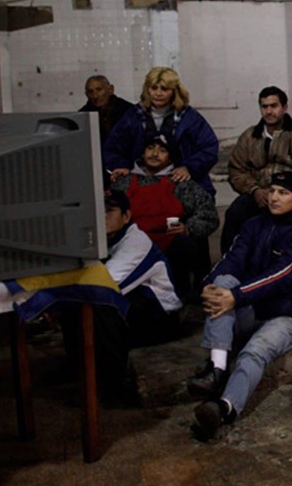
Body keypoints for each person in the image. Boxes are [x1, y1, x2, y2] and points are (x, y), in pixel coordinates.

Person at [185, 171, 292, 440]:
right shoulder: (254, 224)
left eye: (283, 193)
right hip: (249, 307)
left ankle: (225, 408)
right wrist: (210, 284)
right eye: (272, 190)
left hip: (288, 314)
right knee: (223, 281)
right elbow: (231, 261)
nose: (274, 197)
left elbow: (284, 276)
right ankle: (216, 369)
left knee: (255, 351)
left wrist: (236, 297)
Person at [66, 189, 183, 403]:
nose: (102, 217)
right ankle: (77, 372)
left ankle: (115, 387)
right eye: (98, 211)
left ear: (126, 216)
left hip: (160, 318)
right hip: (135, 306)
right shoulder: (102, 240)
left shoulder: (136, 242)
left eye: (109, 211)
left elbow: (103, 285)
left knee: (101, 305)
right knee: (73, 304)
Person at [113, 134, 220, 299]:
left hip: (167, 244)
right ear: (142, 152)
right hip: (129, 244)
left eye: (162, 151)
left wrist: (188, 228)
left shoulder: (180, 183)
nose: (155, 154)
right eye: (150, 148)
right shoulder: (123, 181)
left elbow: (209, 214)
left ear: (170, 159)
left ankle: (179, 298)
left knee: (185, 245)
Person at [222, 86, 292, 255]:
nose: (269, 111)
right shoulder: (249, 136)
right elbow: (236, 169)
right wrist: (255, 190)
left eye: (273, 106)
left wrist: (281, 192)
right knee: (235, 213)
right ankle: (229, 263)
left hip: (289, 198)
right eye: (264, 106)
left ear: (284, 107)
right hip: (257, 195)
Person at [104, 66, 219, 198]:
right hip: (140, 180)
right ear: (147, 89)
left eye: (164, 89)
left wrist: (189, 168)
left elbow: (209, 147)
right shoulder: (133, 116)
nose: (158, 93)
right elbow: (113, 147)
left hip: (182, 181)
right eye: (154, 88)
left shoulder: (189, 117)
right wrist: (122, 166)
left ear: (175, 91)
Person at [79, 74, 132, 145]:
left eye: (99, 90)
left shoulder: (128, 110)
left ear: (110, 89)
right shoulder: (83, 116)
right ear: (86, 95)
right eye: (90, 92)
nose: (95, 95)